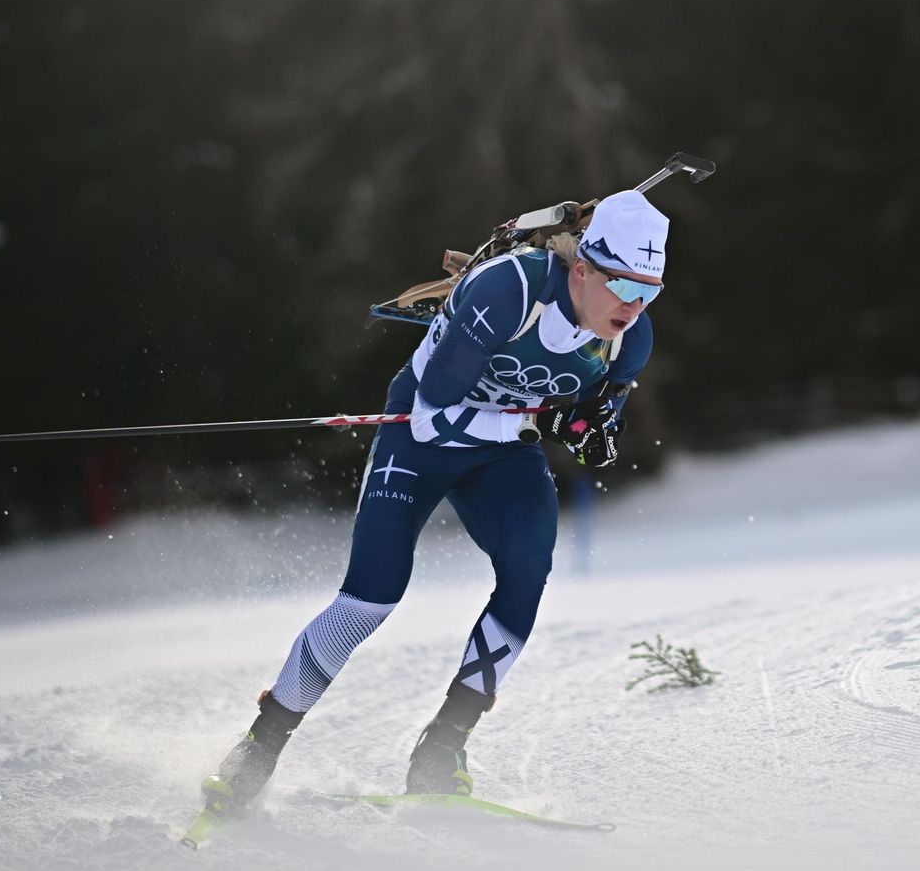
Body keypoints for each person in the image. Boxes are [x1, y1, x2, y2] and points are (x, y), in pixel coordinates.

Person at [198, 189, 667, 819]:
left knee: (529, 567)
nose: (634, 307)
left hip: (502, 452)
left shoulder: (627, 340)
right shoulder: (507, 292)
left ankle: (442, 749)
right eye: (624, 287)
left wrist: (590, 432)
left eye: (651, 291)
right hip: (424, 436)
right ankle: (259, 748)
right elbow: (436, 410)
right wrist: (544, 419)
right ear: (582, 267)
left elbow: (598, 422)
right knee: (372, 596)